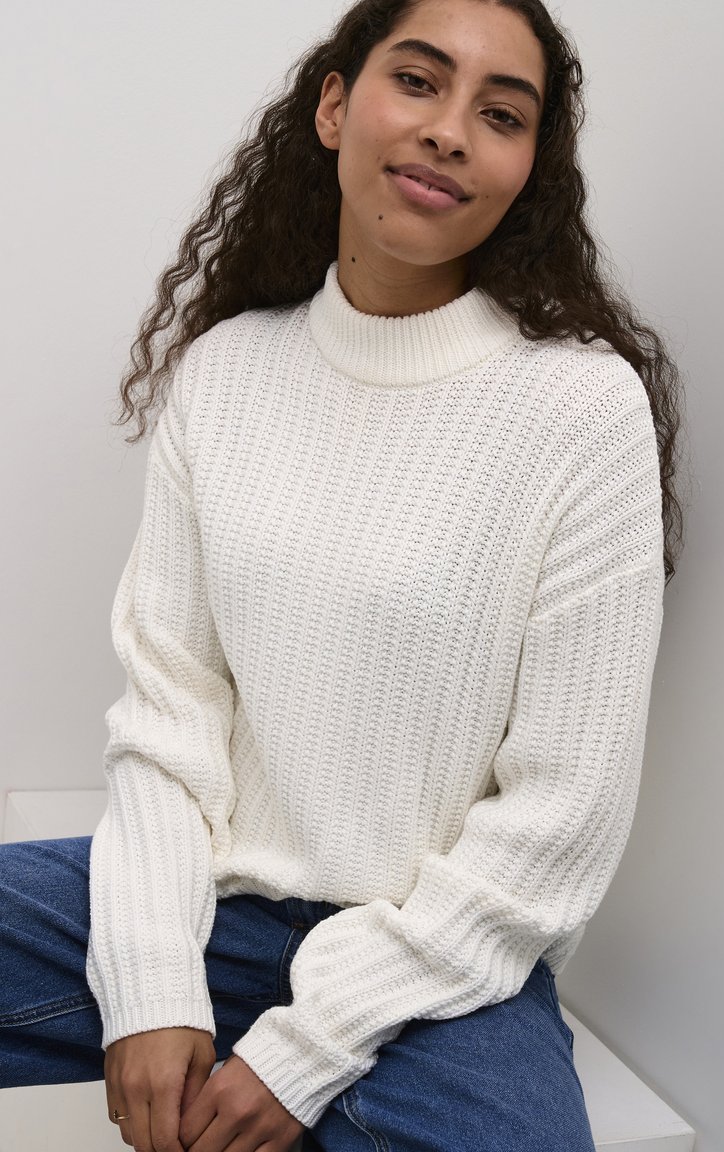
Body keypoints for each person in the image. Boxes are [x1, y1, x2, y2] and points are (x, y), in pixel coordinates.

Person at [0, 0, 685, 1149]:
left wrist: (306, 1047)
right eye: (416, 80)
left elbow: (562, 812)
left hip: (440, 965)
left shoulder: (580, 409)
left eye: (500, 115)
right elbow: (171, 713)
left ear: (527, 169)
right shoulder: (226, 373)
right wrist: (152, 983)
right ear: (333, 106)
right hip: (213, 904)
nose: (449, 130)